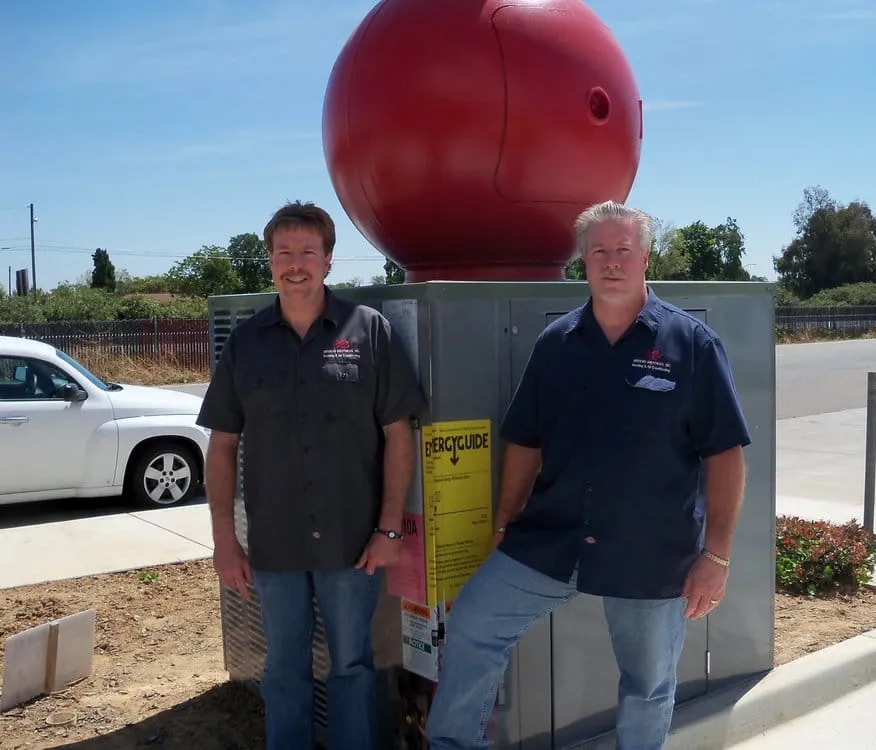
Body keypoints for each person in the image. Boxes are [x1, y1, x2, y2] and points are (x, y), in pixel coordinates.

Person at [425, 200, 752, 750]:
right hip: (553, 537)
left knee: (648, 686)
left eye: (623, 250)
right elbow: (524, 441)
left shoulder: (692, 346)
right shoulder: (556, 345)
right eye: (599, 251)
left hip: (650, 550)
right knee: (474, 625)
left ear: (644, 257)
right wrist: (505, 522)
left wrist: (716, 556)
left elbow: (725, 457)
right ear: (583, 260)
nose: (611, 262)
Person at [196, 201, 427, 750]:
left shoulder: (367, 331)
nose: (294, 264)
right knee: (283, 670)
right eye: (283, 253)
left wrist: (390, 529)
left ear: (328, 259)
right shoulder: (246, 343)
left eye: (306, 252)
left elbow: (399, 434)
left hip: (354, 543)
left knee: (351, 665)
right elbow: (223, 444)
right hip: (274, 545)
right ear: (269, 261)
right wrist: (224, 538)